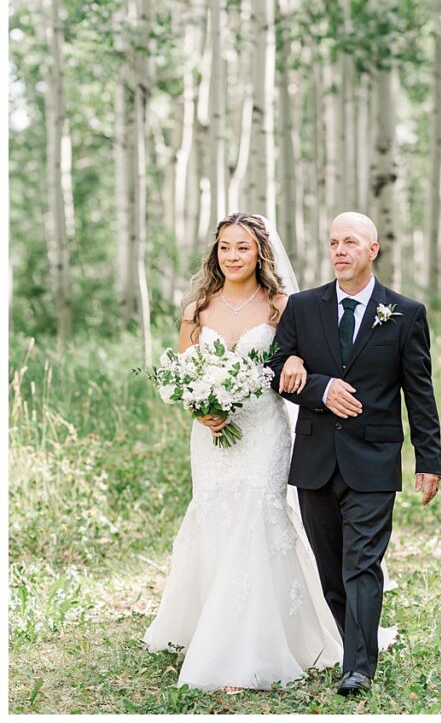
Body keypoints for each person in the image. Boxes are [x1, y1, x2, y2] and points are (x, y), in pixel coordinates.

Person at [144, 213, 353, 693]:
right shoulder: (196, 309)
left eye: (242, 247)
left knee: (259, 516)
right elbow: (183, 373)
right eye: (224, 248)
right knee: (215, 516)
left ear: (260, 252)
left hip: (264, 431)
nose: (232, 256)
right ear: (215, 253)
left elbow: (301, 360)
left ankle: (248, 644)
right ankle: (210, 626)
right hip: (213, 437)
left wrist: (296, 359)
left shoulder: (284, 306)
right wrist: (201, 410)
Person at [268, 212, 441, 696]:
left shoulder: (405, 313)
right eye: (332, 243)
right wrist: (318, 386)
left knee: (362, 563)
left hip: (374, 457)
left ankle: (359, 667)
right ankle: (357, 642)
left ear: (373, 249)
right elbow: (275, 368)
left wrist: (429, 460)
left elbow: (419, 393)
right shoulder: (303, 308)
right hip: (315, 460)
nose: (339, 251)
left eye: (350, 242)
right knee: (331, 572)